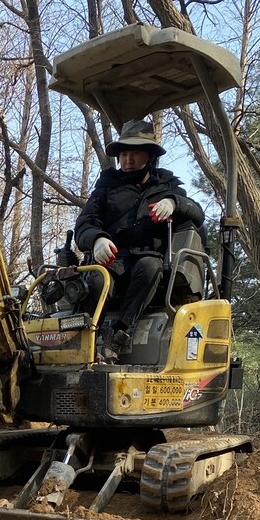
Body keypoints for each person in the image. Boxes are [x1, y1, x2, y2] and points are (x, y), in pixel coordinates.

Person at [73, 118, 205, 360]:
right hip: (112, 259)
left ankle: (120, 333)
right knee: (97, 282)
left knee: (150, 266)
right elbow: (84, 224)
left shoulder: (167, 185)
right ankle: (86, 342)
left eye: (135, 153)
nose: (128, 160)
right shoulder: (106, 187)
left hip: (148, 259)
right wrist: (97, 239)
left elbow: (197, 213)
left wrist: (174, 203)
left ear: (150, 156)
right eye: (124, 154)